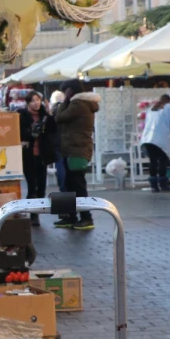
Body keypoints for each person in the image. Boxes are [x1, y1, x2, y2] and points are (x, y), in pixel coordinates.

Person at [53, 79, 100, 230]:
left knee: (78, 185)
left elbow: (60, 118)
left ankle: (86, 218)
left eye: (65, 91)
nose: (64, 94)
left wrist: (63, 102)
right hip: (73, 149)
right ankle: (71, 217)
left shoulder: (78, 104)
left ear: (70, 91)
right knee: (69, 184)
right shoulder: (81, 104)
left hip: (77, 150)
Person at [18, 91, 55, 225]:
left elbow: (53, 130)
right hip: (28, 155)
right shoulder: (21, 115)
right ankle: (33, 216)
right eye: (33, 100)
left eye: (38, 100)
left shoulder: (45, 116)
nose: (36, 103)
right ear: (28, 103)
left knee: (41, 187)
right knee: (32, 186)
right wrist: (31, 133)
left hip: (42, 156)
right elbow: (20, 132)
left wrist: (50, 114)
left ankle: (37, 211)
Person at [140, 94, 170, 192]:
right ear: (168, 101)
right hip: (160, 139)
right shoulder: (169, 108)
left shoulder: (151, 109)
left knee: (153, 161)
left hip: (147, 139)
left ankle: (154, 186)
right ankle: (163, 185)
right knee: (162, 161)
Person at [49, 89, 68, 190]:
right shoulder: (67, 109)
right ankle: (66, 186)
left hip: (57, 141)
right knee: (66, 164)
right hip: (67, 140)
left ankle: (62, 186)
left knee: (60, 164)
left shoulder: (52, 110)